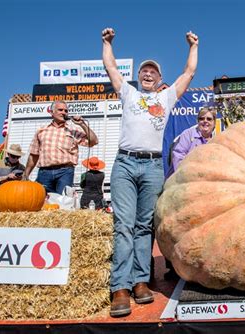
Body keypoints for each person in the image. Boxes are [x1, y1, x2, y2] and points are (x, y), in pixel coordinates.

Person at [102, 26, 198, 317]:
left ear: (159, 80)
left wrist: (193, 46)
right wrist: (107, 43)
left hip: (153, 166)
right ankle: (120, 287)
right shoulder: (128, 93)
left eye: (153, 72)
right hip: (126, 164)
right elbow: (111, 67)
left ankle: (140, 282)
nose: (147, 74)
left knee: (145, 227)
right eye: (144, 70)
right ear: (139, 76)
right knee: (124, 225)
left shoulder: (165, 99)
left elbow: (189, 73)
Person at [23, 101, 99, 194]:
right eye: (60, 110)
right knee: (42, 201)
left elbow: (94, 141)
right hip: (44, 172)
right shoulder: (42, 131)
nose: (64, 112)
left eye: (66, 111)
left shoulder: (73, 130)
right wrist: (26, 173)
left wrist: (82, 124)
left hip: (65, 172)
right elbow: (34, 154)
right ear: (52, 112)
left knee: (63, 201)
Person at [165, 106, 216, 178]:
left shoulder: (216, 140)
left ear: (214, 123)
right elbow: (178, 156)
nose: (205, 121)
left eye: (209, 119)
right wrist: (187, 176)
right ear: (197, 121)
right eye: (201, 119)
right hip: (183, 179)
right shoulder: (188, 134)